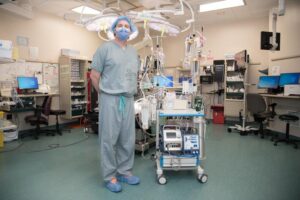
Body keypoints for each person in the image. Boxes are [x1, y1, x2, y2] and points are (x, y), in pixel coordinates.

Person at [90, 16, 140, 193]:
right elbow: (94, 76)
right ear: (114, 29)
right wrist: (104, 93)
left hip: (128, 99)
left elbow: (134, 75)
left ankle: (124, 171)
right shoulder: (105, 49)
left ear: (131, 30)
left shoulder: (133, 52)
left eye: (127, 26)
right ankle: (110, 176)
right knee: (109, 139)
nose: (124, 28)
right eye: (120, 26)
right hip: (110, 99)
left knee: (127, 139)